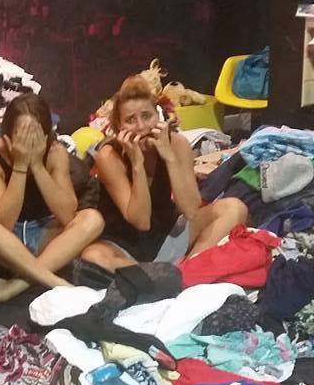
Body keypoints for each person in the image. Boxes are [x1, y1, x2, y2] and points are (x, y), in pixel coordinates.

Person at [81, 76, 247, 271]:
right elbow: (141, 221)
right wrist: (137, 164)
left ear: (158, 116)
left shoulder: (177, 144)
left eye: (147, 116)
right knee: (93, 256)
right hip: (123, 245)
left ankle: (186, 272)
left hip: (166, 233)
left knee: (234, 208)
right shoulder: (109, 156)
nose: (141, 126)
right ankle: (156, 275)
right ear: (119, 127)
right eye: (130, 120)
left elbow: (190, 210)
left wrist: (169, 157)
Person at [0, 93, 104, 301]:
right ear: (7, 135)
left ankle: (15, 286)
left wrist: (38, 165)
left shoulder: (55, 152)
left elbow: (67, 215)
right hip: (7, 243)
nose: (29, 142)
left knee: (92, 219)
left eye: (35, 135)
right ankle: (51, 280)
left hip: (47, 240)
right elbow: (3, 223)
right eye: (22, 134)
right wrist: (21, 165)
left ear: (47, 134)